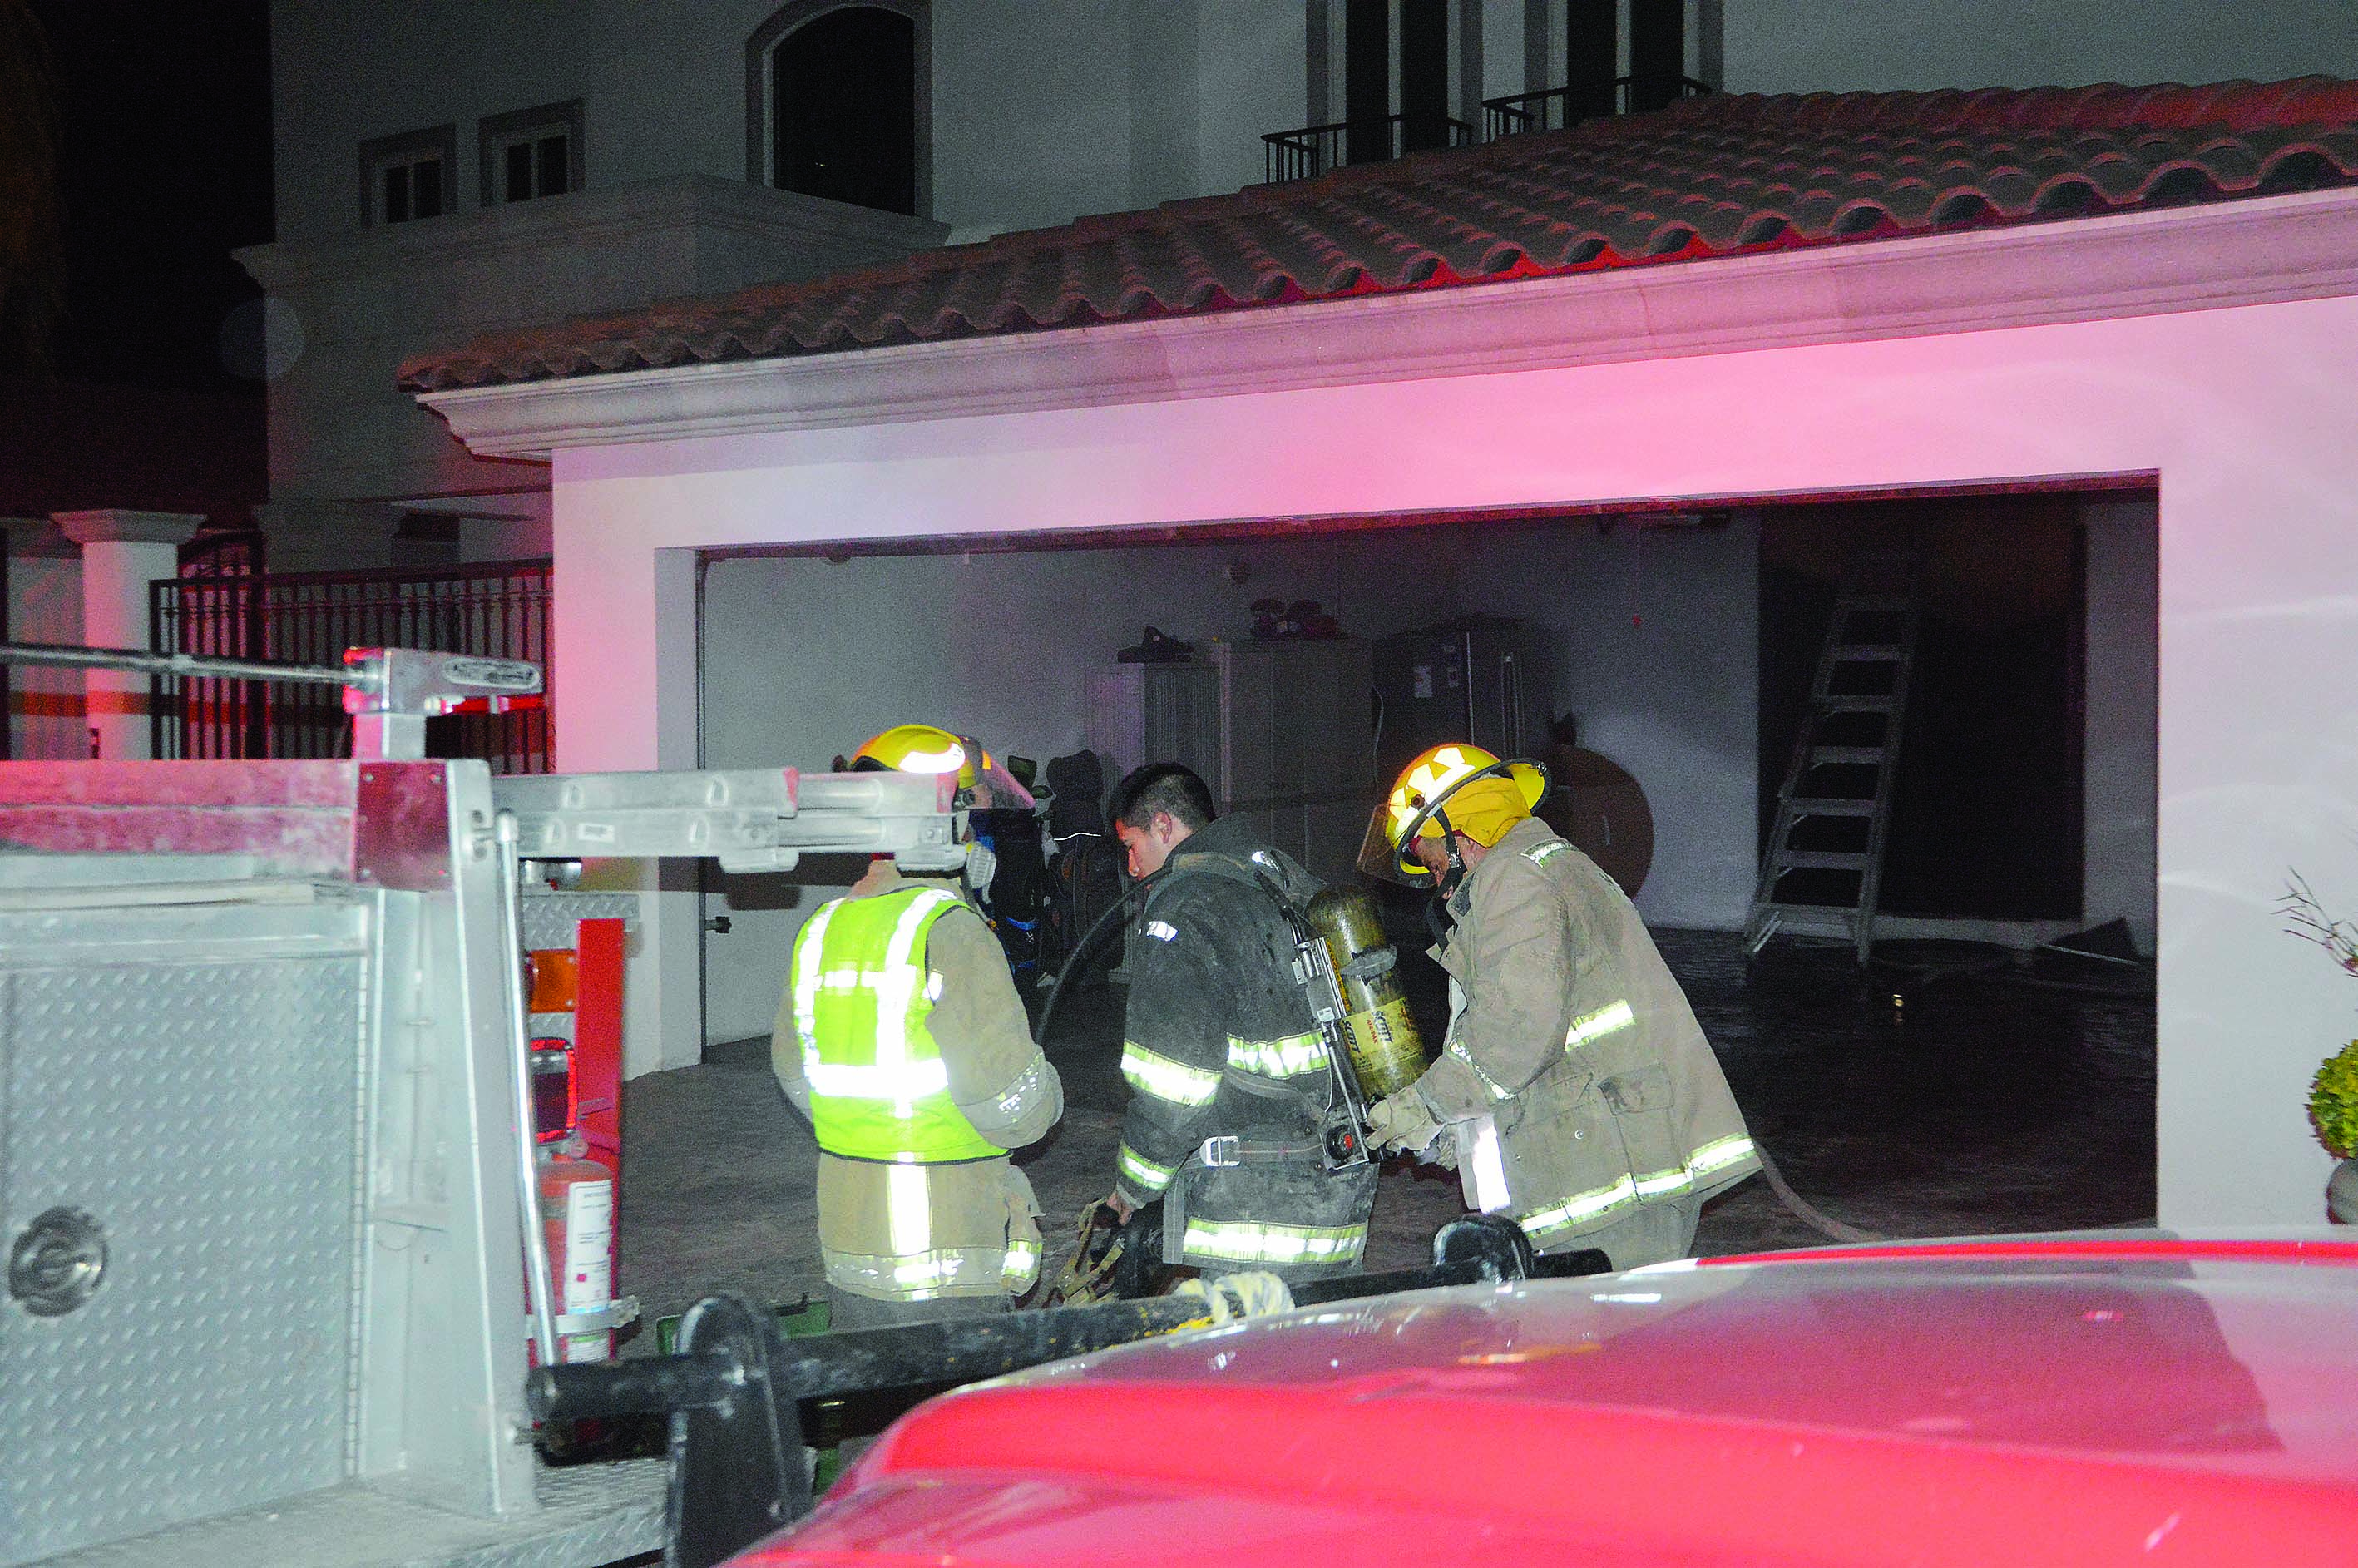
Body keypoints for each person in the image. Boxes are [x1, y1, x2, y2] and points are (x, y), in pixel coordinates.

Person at [1362, 744, 1757, 1269]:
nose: (1437, 881)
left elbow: (1517, 1030)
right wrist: (1457, 1134)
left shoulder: (1513, 879)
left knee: (1604, 1340)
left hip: (1606, 1173)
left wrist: (1426, 1105)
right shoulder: (1553, 867)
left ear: (1464, 834)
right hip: (1616, 1152)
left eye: (1434, 862)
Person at [771, 724, 1063, 1328]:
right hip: (947, 1253)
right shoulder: (949, 931)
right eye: (970, 809)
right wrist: (1049, 1092)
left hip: (853, 1245)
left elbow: (797, 1071)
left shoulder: (824, 927)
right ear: (943, 818)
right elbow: (1016, 1107)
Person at [1103, 763, 1377, 1281]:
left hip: (1255, 1208)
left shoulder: (1184, 911)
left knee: (1249, 1359)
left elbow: (1175, 1086)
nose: (1133, 867)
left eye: (1132, 845)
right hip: (1340, 1189)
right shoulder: (1283, 880)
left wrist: (1132, 1189)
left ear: (1164, 827)